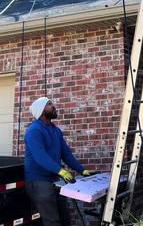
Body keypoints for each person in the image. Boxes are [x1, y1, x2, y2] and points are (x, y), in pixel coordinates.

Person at [25, 97, 92, 226]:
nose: (54, 106)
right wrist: (60, 170)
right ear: (41, 110)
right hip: (38, 181)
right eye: (49, 104)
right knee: (52, 221)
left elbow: (66, 154)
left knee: (65, 219)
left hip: (55, 179)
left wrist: (81, 170)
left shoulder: (56, 130)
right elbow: (40, 157)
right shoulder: (34, 131)